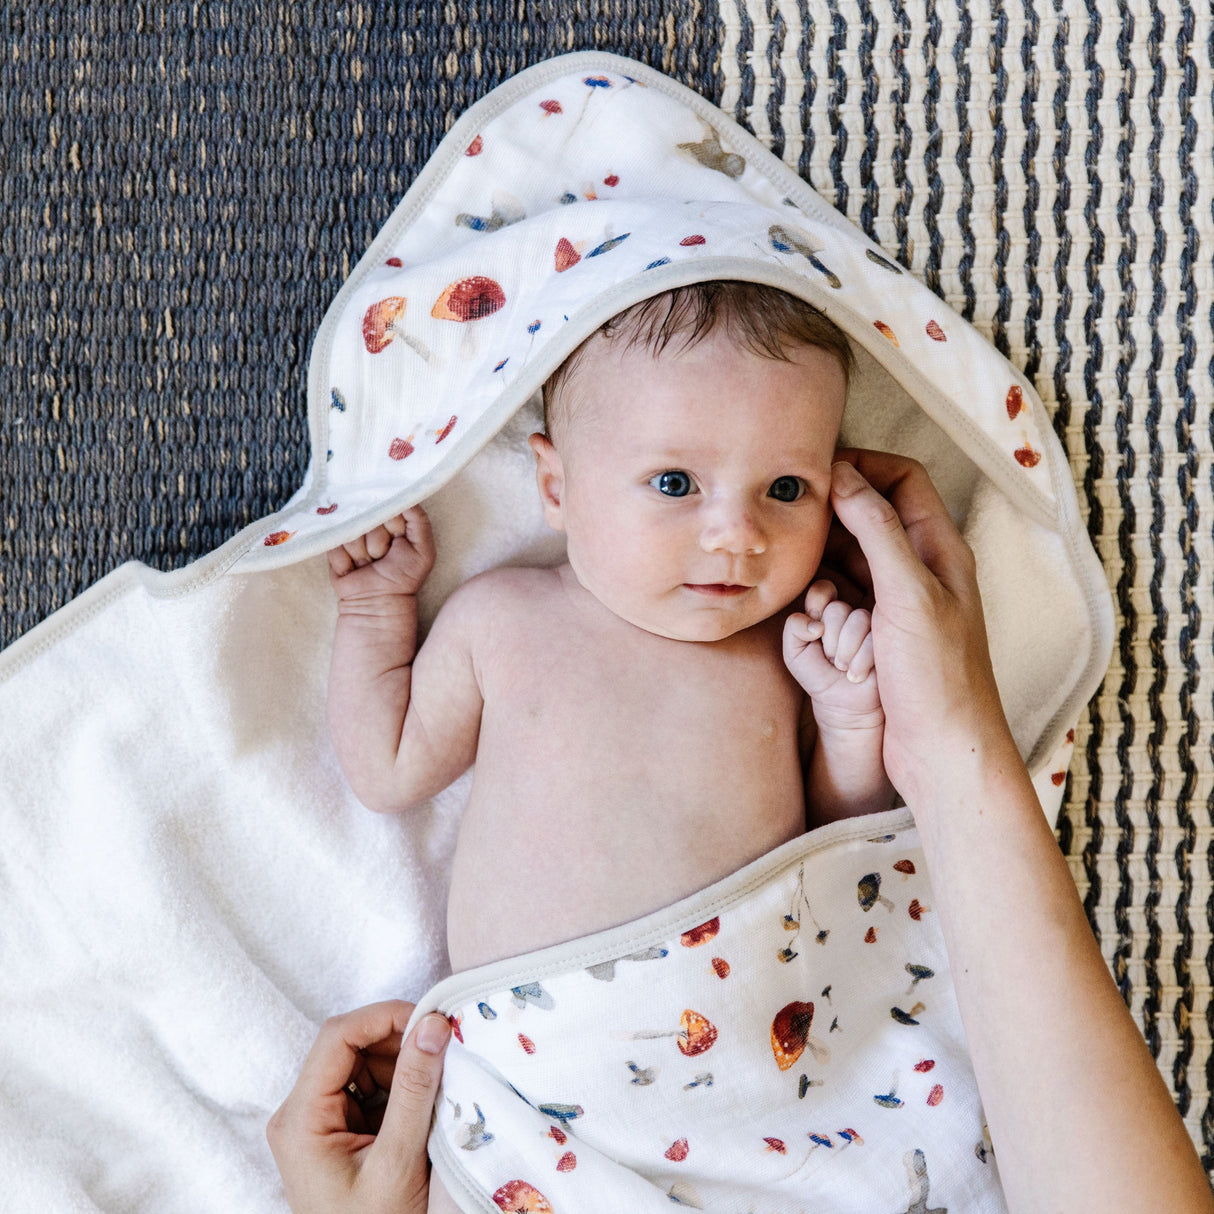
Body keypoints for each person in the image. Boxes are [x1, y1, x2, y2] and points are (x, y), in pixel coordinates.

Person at [297, 282, 1213, 1213]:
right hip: (557, 1074)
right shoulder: (502, 623)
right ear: (554, 486)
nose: (737, 533)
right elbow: (388, 768)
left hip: (767, 1064)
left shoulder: (782, 656)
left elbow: (842, 848)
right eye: (673, 484)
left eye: (785, 489)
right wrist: (377, 610)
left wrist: (852, 717)